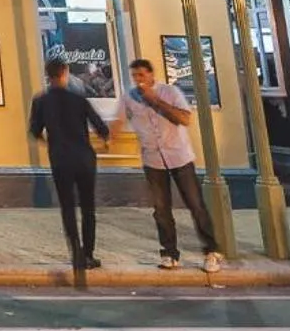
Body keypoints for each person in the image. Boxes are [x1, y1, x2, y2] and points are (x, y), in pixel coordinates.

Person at [122, 58, 224, 273]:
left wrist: (155, 101)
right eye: (134, 76)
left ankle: (211, 251)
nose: (138, 80)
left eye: (141, 75)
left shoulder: (170, 92)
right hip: (153, 159)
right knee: (161, 209)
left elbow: (185, 119)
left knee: (195, 204)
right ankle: (169, 253)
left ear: (151, 74)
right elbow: (119, 119)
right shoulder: (129, 98)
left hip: (179, 157)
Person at [29, 56, 109, 270]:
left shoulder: (40, 101)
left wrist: (51, 143)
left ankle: (75, 252)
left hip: (60, 158)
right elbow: (101, 128)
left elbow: (35, 131)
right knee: (88, 207)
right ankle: (89, 254)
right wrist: (103, 141)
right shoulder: (79, 99)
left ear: (48, 75)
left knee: (67, 207)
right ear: (65, 73)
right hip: (83, 157)